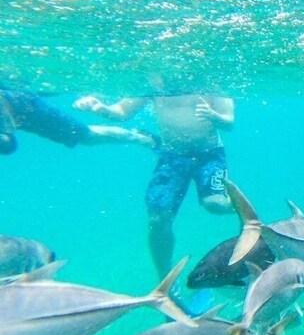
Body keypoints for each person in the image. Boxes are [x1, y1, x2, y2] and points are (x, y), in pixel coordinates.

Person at [74, 89, 235, 279]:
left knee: (215, 204)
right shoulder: (154, 84)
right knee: (157, 219)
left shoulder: (210, 85)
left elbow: (229, 122)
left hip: (209, 155)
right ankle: (165, 277)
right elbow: (122, 112)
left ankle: (241, 208)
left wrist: (214, 116)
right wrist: (99, 108)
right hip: (172, 156)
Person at [0, 89, 154, 155]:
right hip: (16, 107)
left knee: (86, 136)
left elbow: (9, 145)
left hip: (30, 109)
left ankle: (137, 137)